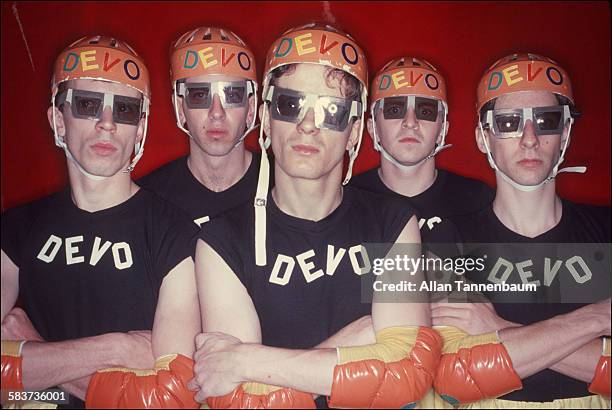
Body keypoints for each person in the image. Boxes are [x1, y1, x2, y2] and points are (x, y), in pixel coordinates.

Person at [188, 22, 441, 409]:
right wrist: (362, 337)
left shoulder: (392, 222)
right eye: (292, 106)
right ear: (268, 118)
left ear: (355, 131)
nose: (307, 125)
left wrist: (247, 360)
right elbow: (244, 401)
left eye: (331, 111)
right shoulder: (221, 241)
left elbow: (407, 374)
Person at [1, 35, 201, 408]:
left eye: (124, 110)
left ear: (139, 129)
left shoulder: (175, 233)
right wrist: (121, 349)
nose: (106, 123)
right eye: (88, 105)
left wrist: (34, 353)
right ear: (58, 120)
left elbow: (171, 399)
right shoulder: (14, 229)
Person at [429, 53, 611, 408]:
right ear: (483, 138)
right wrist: (598, 318)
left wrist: (493, 329)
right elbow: (457, 376)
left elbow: (482, 359)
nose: (529, 139)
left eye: (546, 121)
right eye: (509, 123)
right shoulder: (445, 240)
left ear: (565, 133)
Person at [351, 56, 493, 236]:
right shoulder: (346, 200)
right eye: (395, 110)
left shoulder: (478, 201)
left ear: (442, 130)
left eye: (426, 111)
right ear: (372, 128)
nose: (410, 122)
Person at [138, 26, 263, 227]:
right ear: (180, 108)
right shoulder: (149, 200)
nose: (216, 112)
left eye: (231, 95)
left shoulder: (286, 186)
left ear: (250, 108)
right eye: (199, 95)